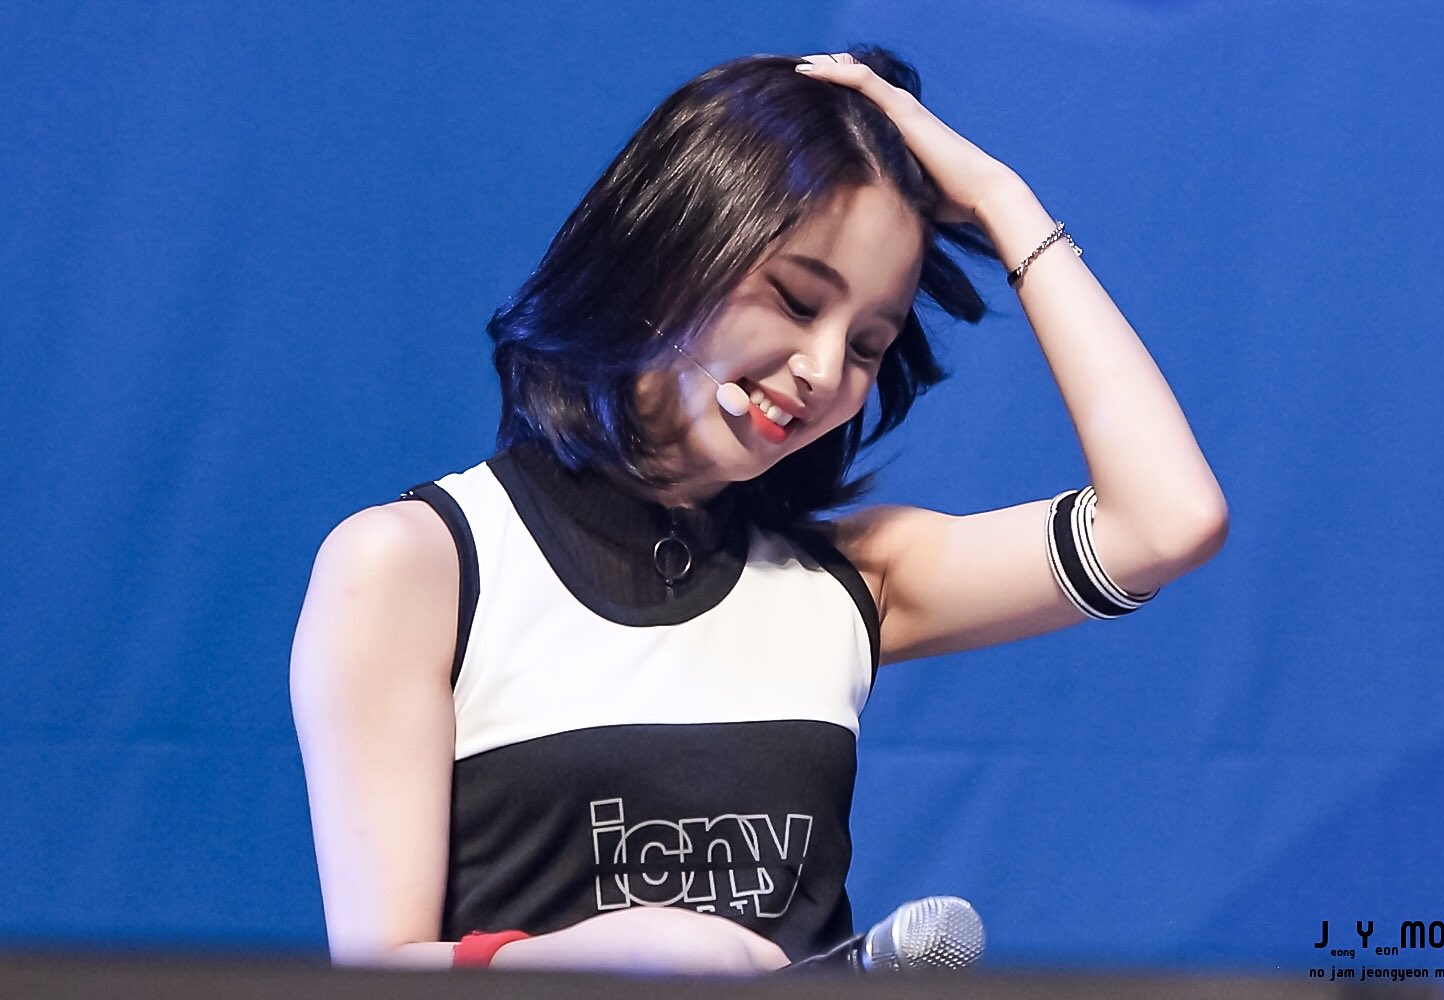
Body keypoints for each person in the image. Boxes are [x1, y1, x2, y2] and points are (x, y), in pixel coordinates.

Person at [290, 48, 1227, 974]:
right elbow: (376, 971)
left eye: (868, 345)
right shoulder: (419, 565)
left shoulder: (851, 579)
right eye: (796, 299)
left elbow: (1167, 520)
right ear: (669, 251)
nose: (824, 371)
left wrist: (1000, 200)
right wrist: (607, 959)